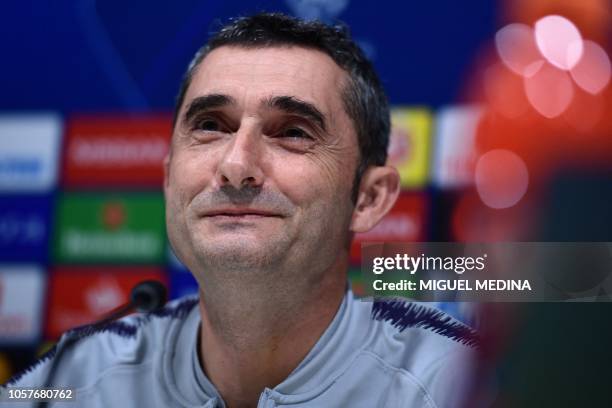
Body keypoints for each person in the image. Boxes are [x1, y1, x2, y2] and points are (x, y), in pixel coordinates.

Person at [3, 12, 478, 408]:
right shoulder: (69, 382)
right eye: (210, 125)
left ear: (369, 199)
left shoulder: (459, 386)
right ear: (169, 178)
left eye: (293, 132)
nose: (235, 165)